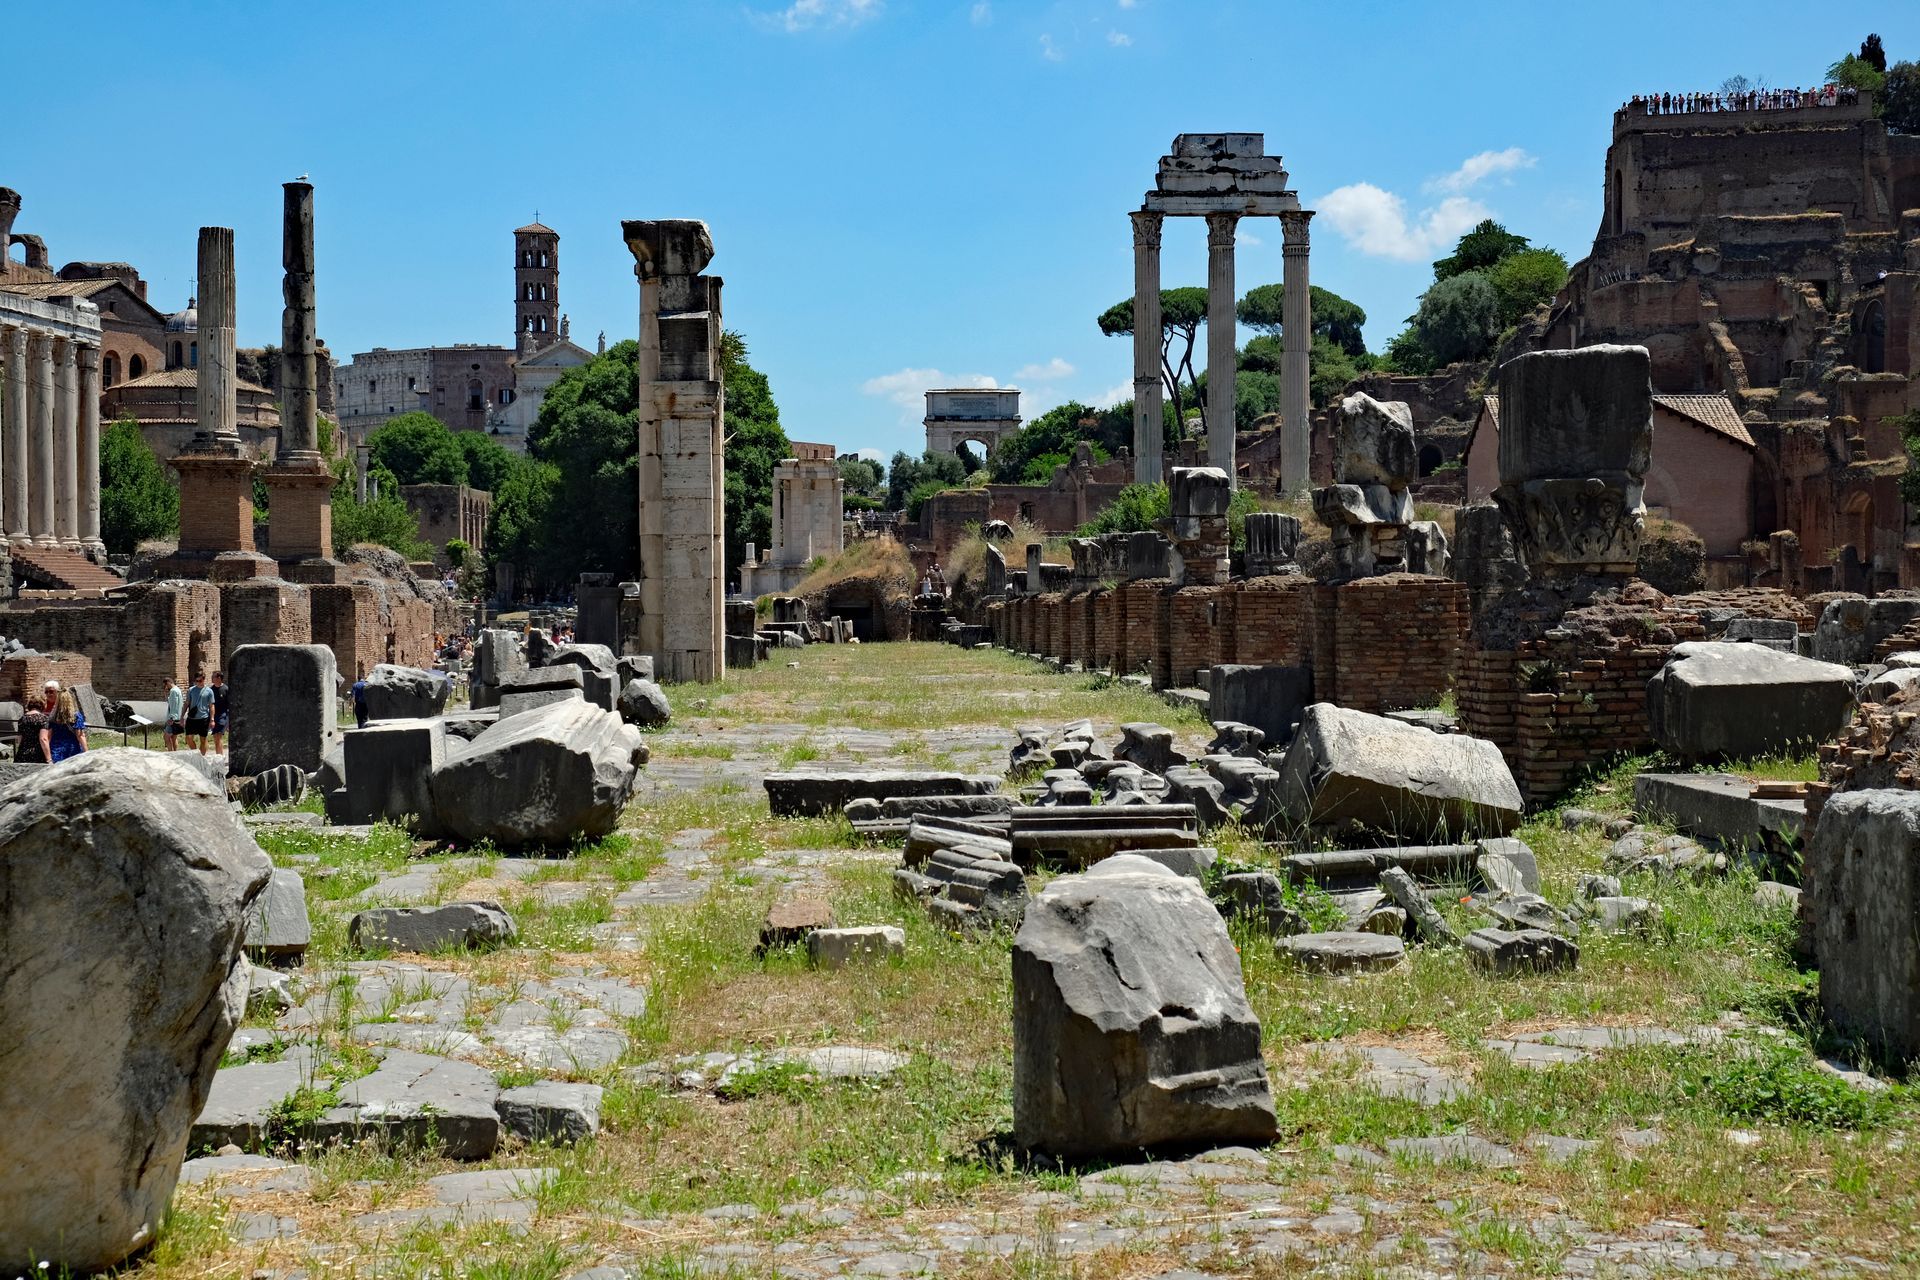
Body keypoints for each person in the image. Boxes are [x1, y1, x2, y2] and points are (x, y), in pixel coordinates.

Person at [40, 682, 88, 763]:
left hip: (56, 750)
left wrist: (47, 756)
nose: (48, 694)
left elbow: (48, 736)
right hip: (72, 750)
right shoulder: (76, 716)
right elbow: (80, 736)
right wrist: (87, 752)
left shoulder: (52, 716)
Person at [184, 672, 214, 754]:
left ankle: (202, 757)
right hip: (192, 718)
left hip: (203, 718)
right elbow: (187, 703)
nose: (198, 682)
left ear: (204, 679)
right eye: (196, 681)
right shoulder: (191, 690)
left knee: (203, 739)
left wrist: (212, 719)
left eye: (200, 680)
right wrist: (181, 716)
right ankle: (197, 754)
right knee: (188, 738)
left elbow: (211, 706)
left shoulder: (209, 691)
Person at [209, 670, 230, 756]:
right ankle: (218, 756)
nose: (211, 678)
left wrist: (229, 720)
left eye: (213, 676)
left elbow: (229, 705)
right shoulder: (211, 690)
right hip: (214, 716)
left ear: (218, 678)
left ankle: (220, 757)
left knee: (219, 736)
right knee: (215, 738)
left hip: (223, 715)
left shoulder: (226, 689)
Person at [164, 677, 184, 751]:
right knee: (174, 737)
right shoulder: (178, 690)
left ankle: (170, 753)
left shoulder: (173, 691)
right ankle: (175, 752)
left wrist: (171, 718)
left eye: (166, 685)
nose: (166, 687)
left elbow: (174, 705)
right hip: (178, 716)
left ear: (168, 683)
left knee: (166, 737)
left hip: (173, 718)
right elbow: (171, 702)